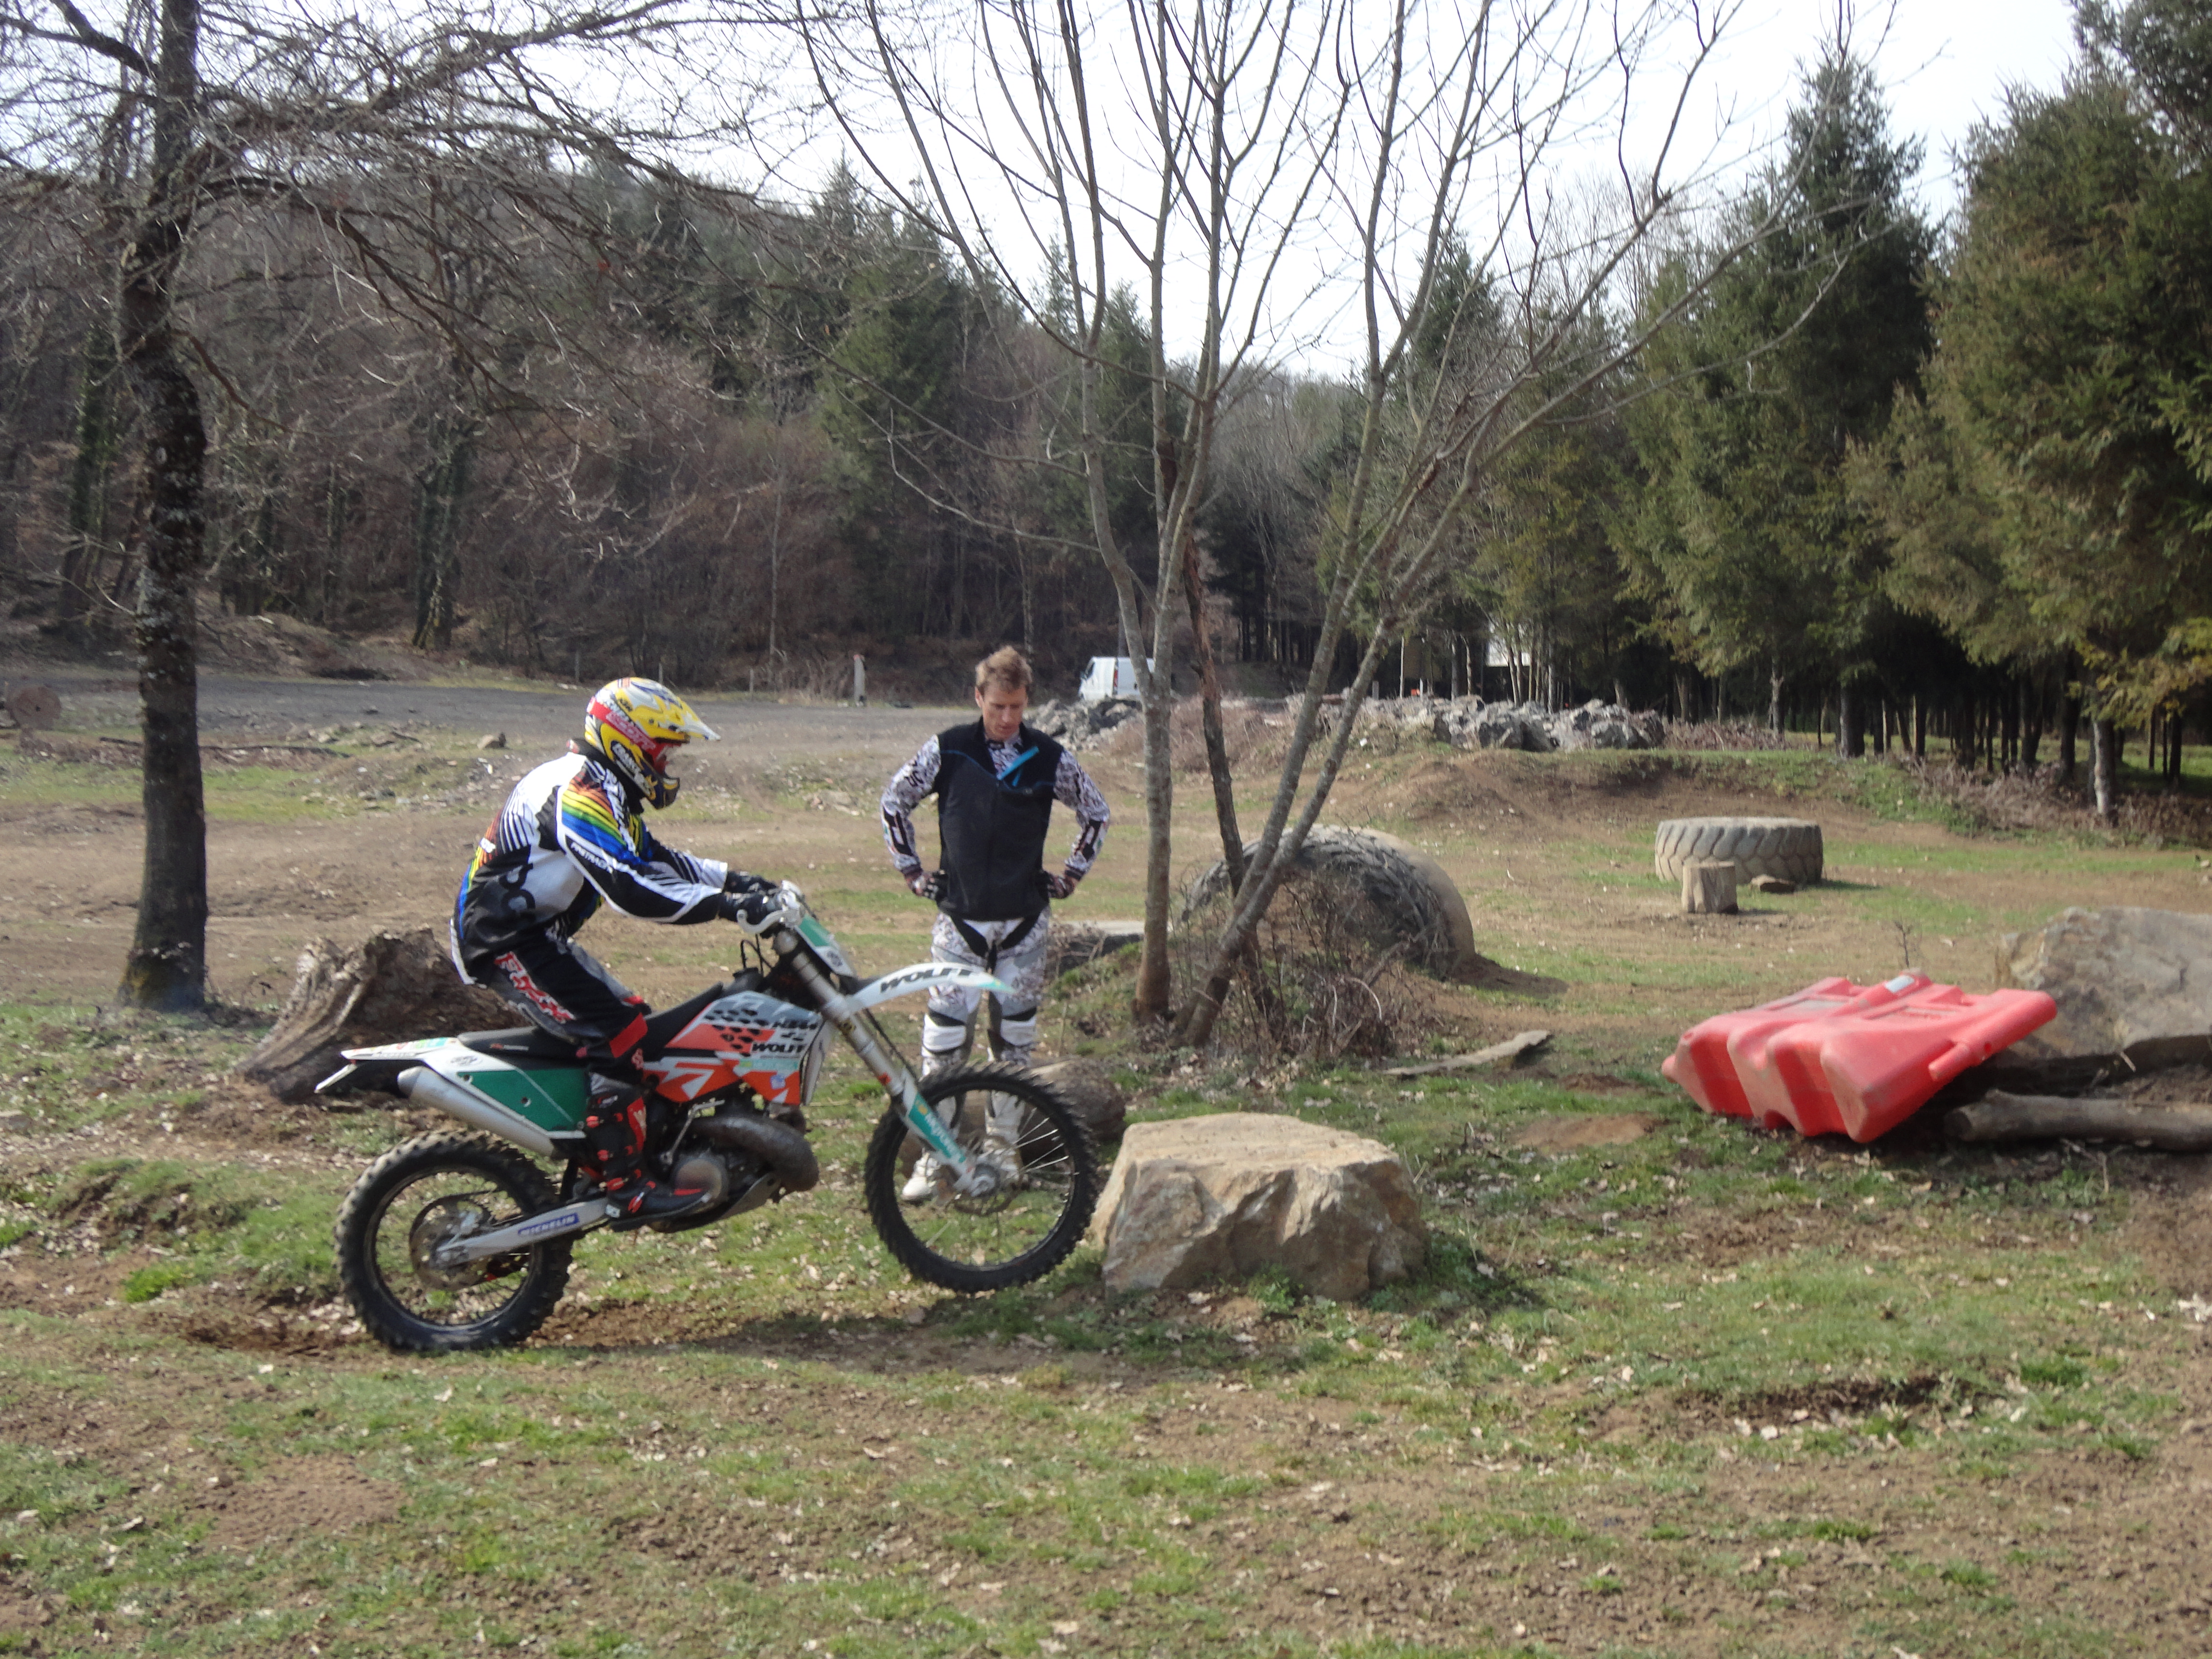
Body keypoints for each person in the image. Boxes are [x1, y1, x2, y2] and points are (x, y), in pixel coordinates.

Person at [453, 676, 777, 1225]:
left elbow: (656, 858)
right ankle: (625, 1186)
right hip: (501, 940)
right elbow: (631, 888)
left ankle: (619, 1150)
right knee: (618, 1033)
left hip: (537, 936)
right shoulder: (578, 791)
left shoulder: (609, 790)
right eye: (663, 747)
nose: (669, 759)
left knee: (638, 1028)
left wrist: (742, 882)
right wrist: (726, 908)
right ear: (628, 741)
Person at [879, 646, 1111, 1200]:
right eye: (998, 706)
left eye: (1017, 707)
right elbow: (895, 800)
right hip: (959, 919)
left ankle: (1004, 1149)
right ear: (978, 697)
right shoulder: (949, 750)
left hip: (1025, 923)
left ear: (1028, 702)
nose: (1008, 719)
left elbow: (1096, 811)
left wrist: (1071, 874)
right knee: (943, 1042)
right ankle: (937, 1157)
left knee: (1014, 1045)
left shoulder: (1049, 755)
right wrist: (911, 871)